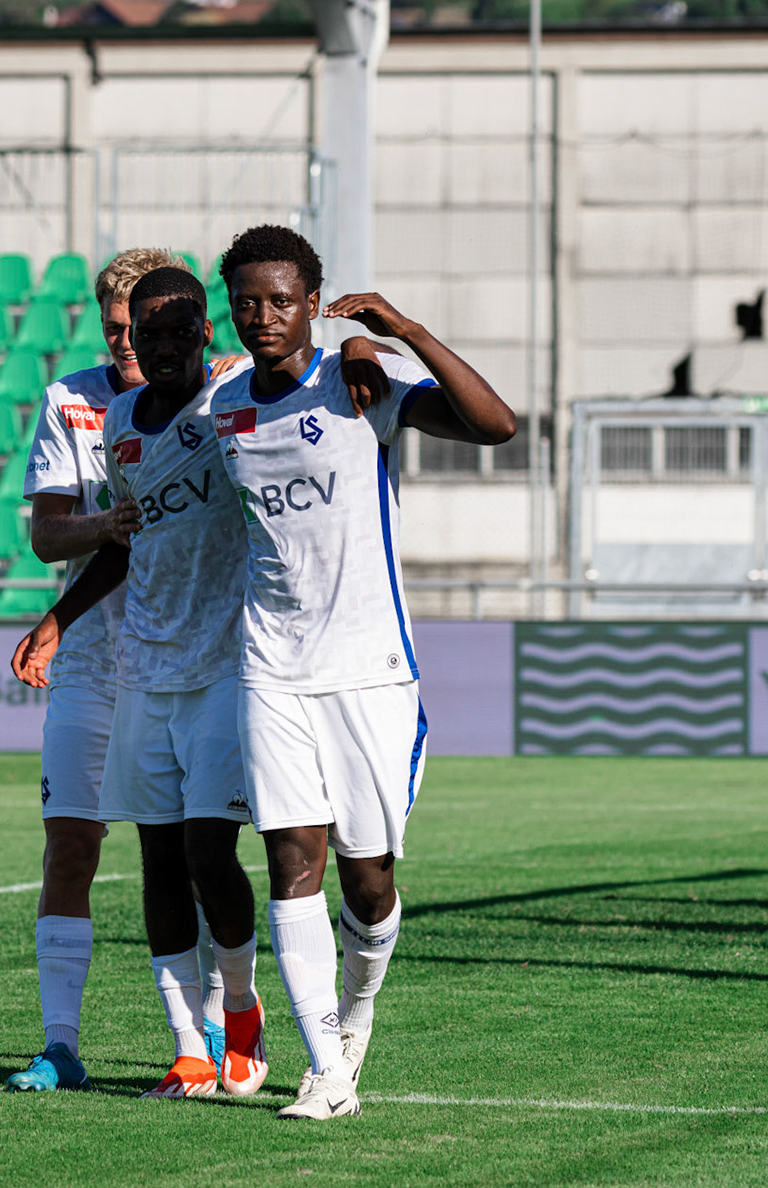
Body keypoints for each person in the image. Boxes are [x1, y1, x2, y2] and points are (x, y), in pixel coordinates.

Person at [210, 224, 516, 1120]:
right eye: (246, 302)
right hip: (270, 665)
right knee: (289, 860)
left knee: (367, 879)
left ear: (313, 301)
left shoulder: (360, 383)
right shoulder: (222, 403)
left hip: (370, 670)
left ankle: (357, 1011)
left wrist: (401, 331)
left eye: (280, 300)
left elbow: (495, 426)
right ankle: (326, 1071)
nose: (263, 316)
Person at [16, 267, 265, 1099]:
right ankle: (64, 1045)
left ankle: (219, 1024)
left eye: (147, 327)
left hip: (202, 655)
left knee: (200, 854)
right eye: (118, 328)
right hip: (99, 659)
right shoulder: (78, 402)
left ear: (188, 327)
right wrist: (92, 553)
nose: (130, 342)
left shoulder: (226, 390)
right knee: (74, 844)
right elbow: (51, 536)